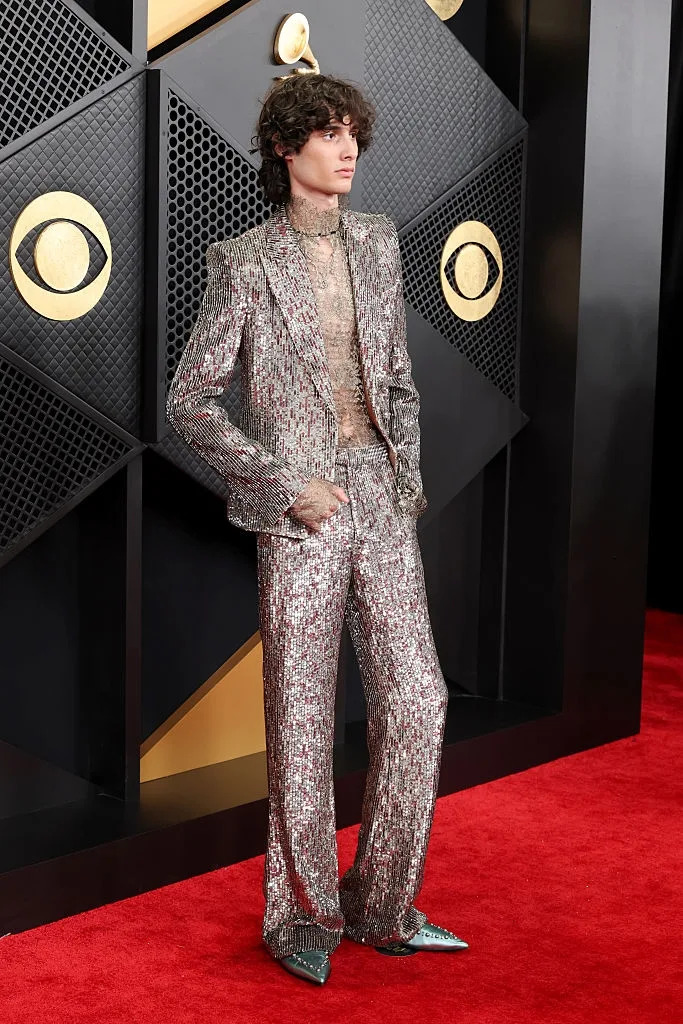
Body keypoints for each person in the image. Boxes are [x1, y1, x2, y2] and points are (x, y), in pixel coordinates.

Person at [166, 72, 468, 986]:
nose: (346, 151)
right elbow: (190, 402)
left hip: (378, 495)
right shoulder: (243, 261)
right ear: (285, 149)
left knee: (417, 701)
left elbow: (397, 377)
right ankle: (300, 917)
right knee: (299, 720)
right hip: (299, 509)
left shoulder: (379, 243)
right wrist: (282, 479)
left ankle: (383, 905)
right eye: (328, 135)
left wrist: (399, 476)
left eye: (353, 137)